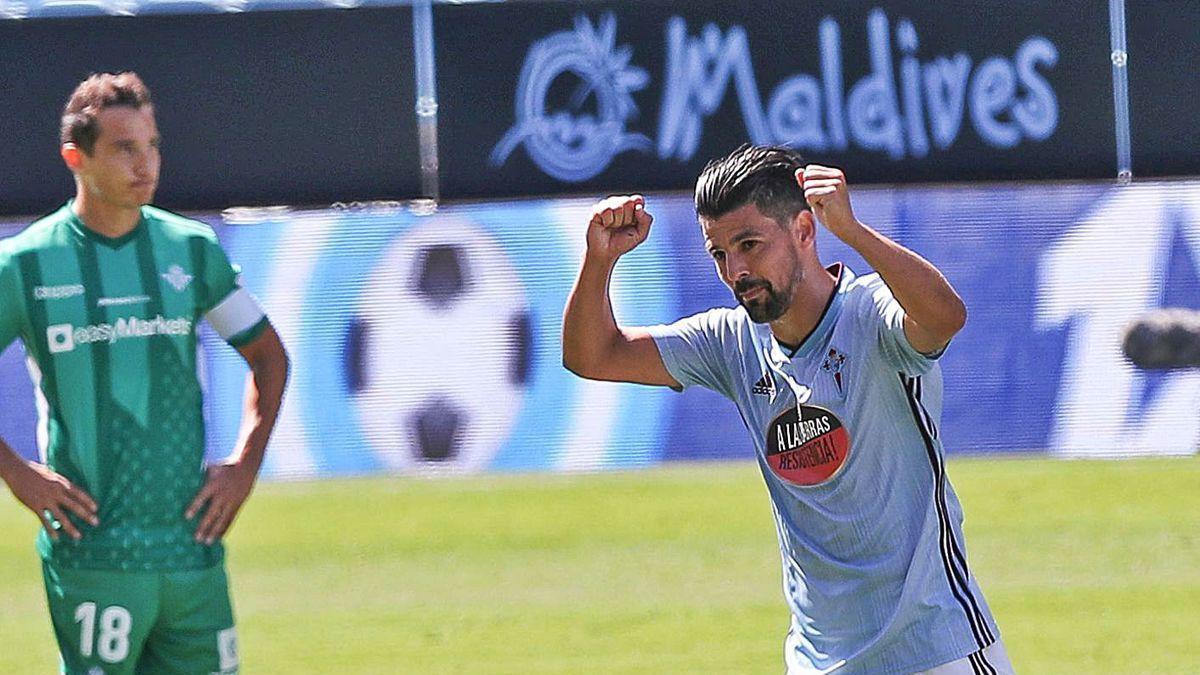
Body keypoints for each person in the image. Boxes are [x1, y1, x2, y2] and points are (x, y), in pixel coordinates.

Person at [562, 144, 1013, 674]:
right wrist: (599, 259)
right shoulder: (730, 342)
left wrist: (854, 231)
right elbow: (592, 355)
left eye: (750, 244)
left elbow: (945, 318)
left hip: (936, 649)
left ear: (804, 229)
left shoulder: (871, 315)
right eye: (720, 255)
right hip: (820, 661)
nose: (736, 271)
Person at [0, 72, 289, 674]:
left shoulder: (191, 250)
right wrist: (17, 474)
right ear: (75, 158)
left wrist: (244, 465)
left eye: (152, 145)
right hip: (93, 551)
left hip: (191, 548)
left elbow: (269, 356)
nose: (146, 164)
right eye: (125, 148)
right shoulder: (24, 265)